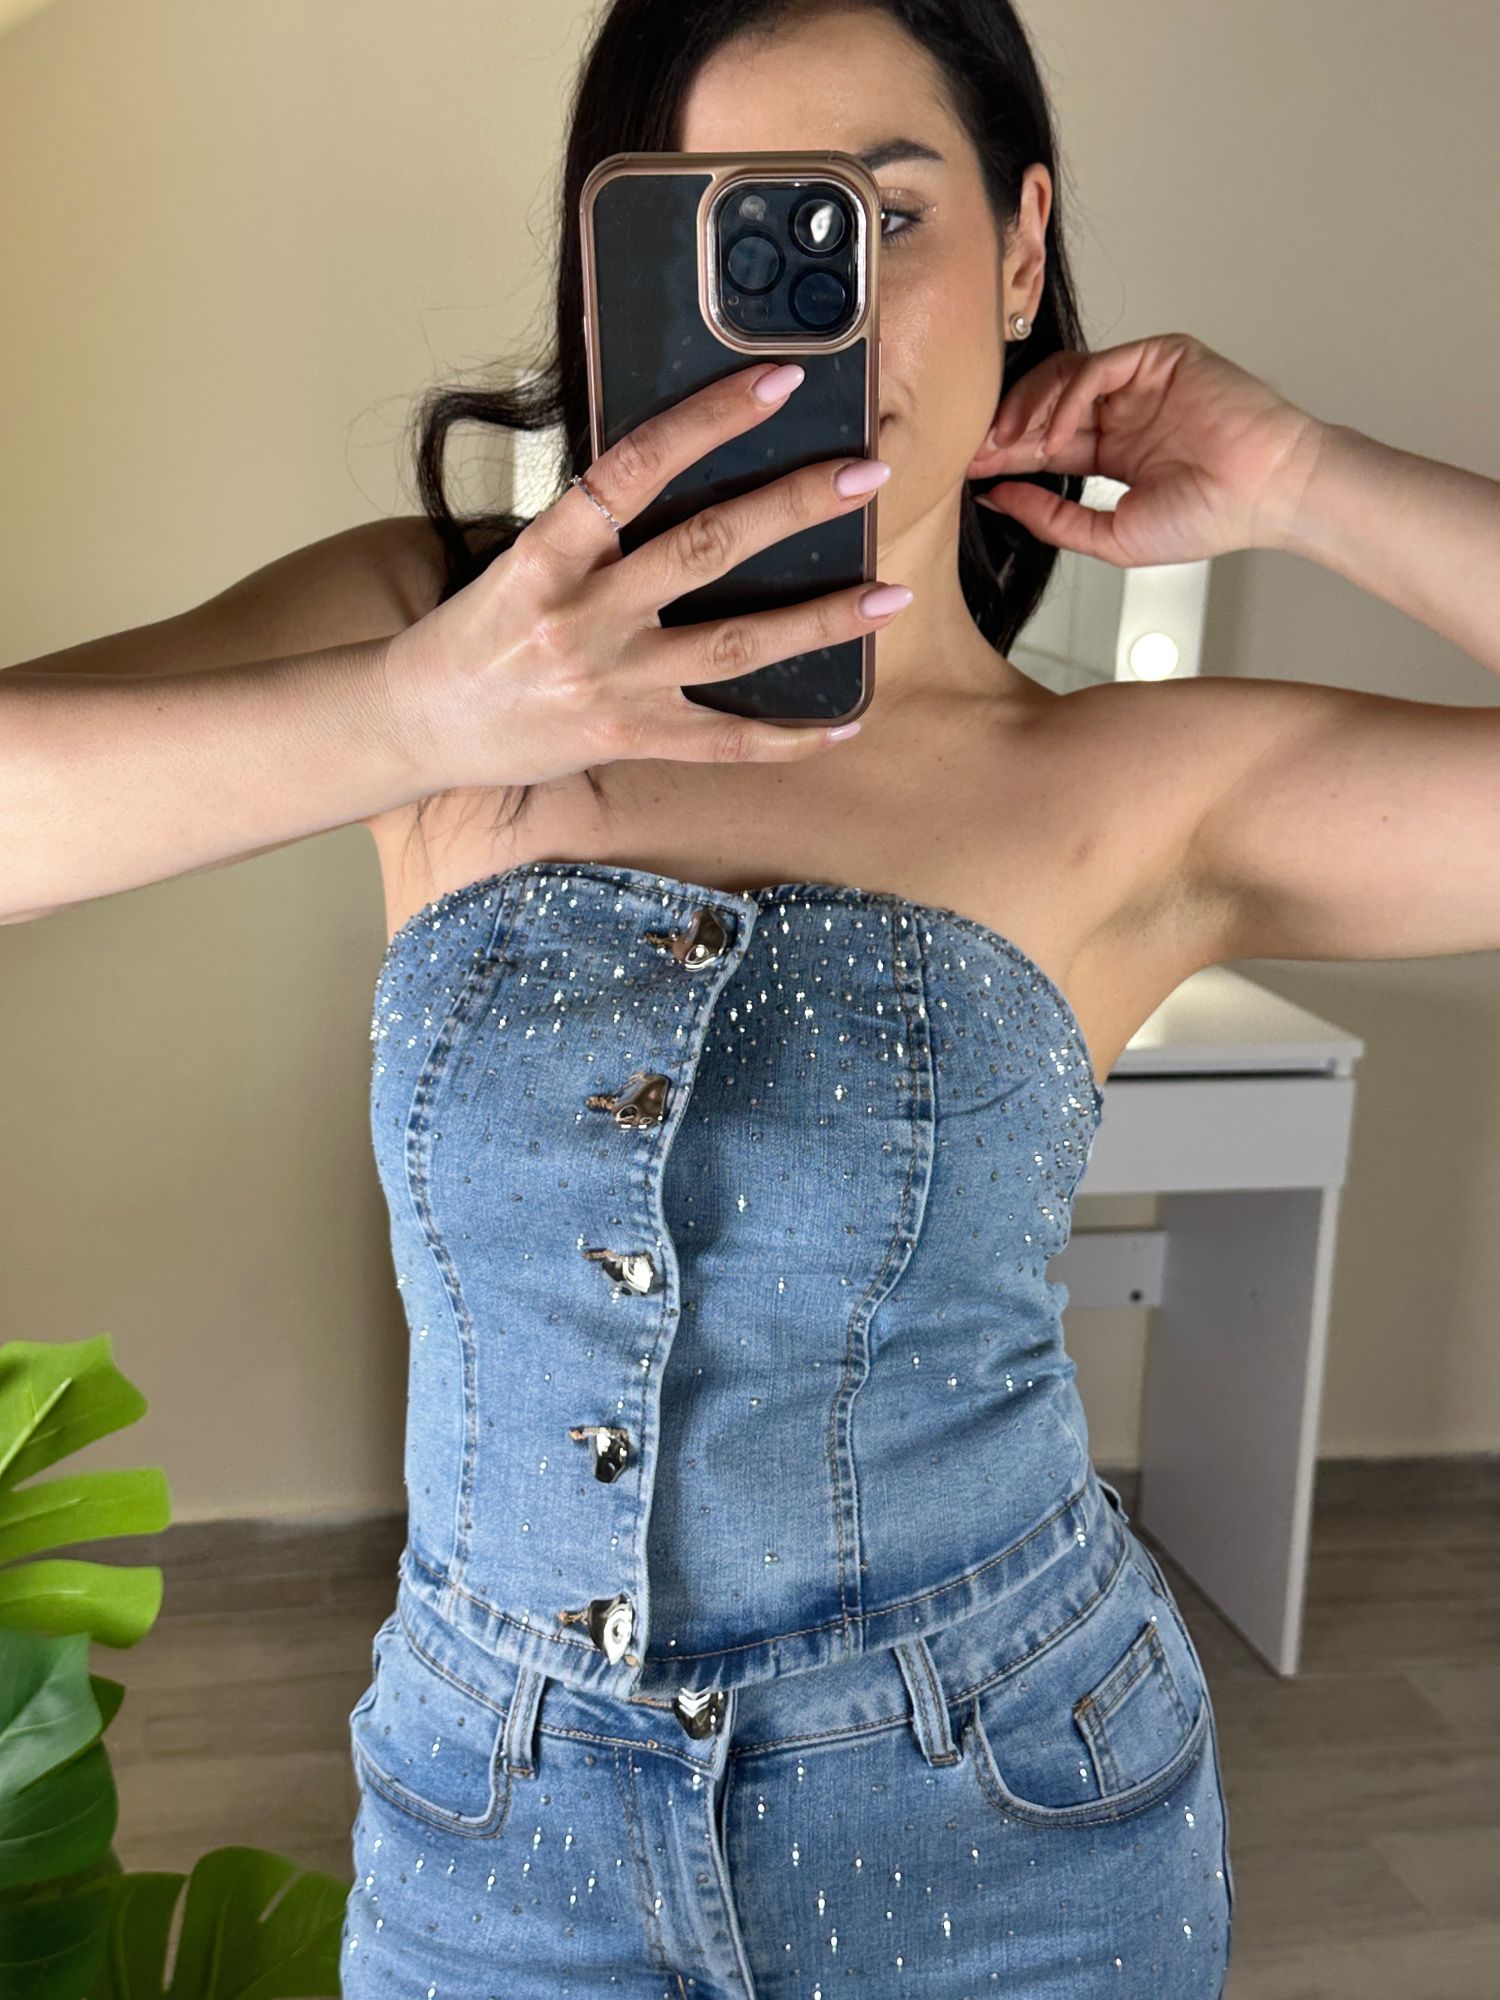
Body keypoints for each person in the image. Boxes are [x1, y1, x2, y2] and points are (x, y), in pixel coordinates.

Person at [9, 2, 1500, 1994]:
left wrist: (1306, 475)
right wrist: (413, 716)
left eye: (885, 219)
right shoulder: (431, 634)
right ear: (616, 265)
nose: (815, 328)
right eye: (729, 231)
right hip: (487, 1842)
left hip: (1013, 1844)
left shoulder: (1139, 785)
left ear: (1026, 249)